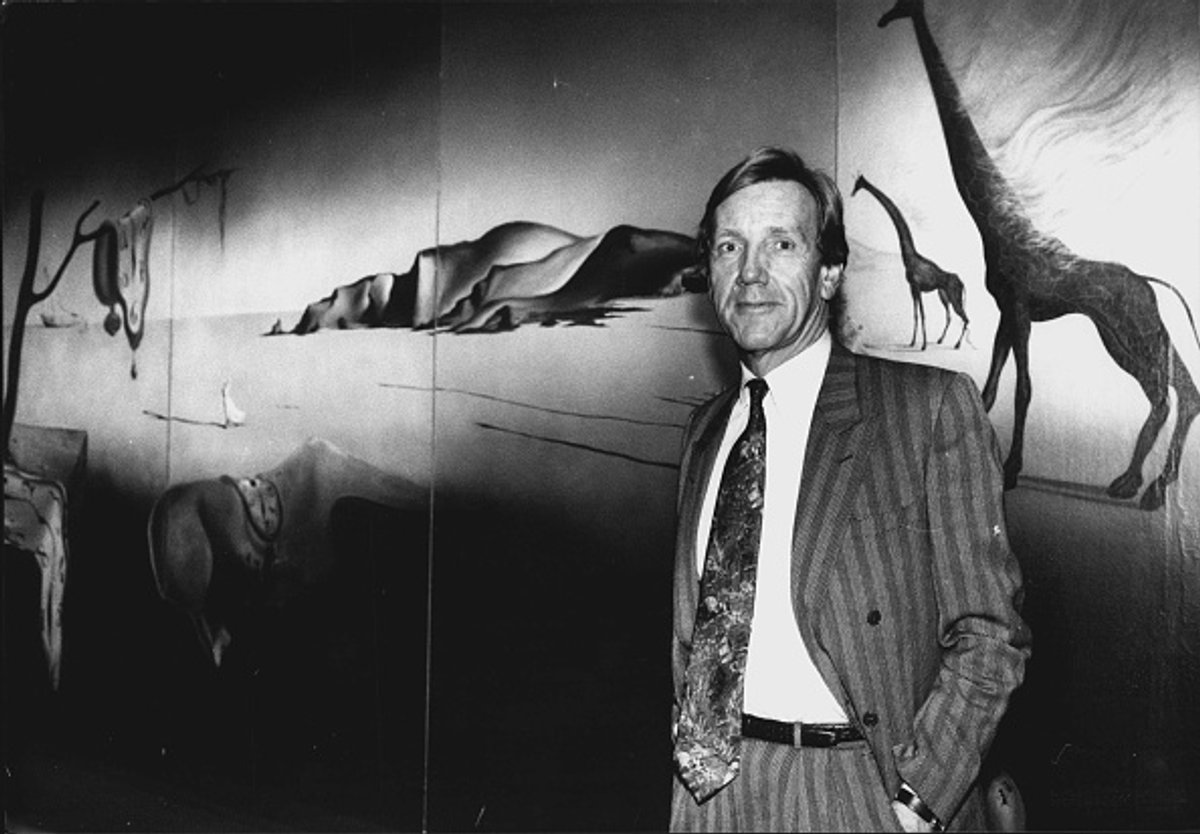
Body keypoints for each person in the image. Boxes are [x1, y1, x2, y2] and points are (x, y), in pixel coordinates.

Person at [669, 147, 1030, 832]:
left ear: (830, 270)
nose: (750, 273)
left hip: (855, 792)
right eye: (728, 246)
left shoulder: (925, 412)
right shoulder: (706, 430)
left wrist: (921, 797)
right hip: (710, 796)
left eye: (782, 243)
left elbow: (991, 632)